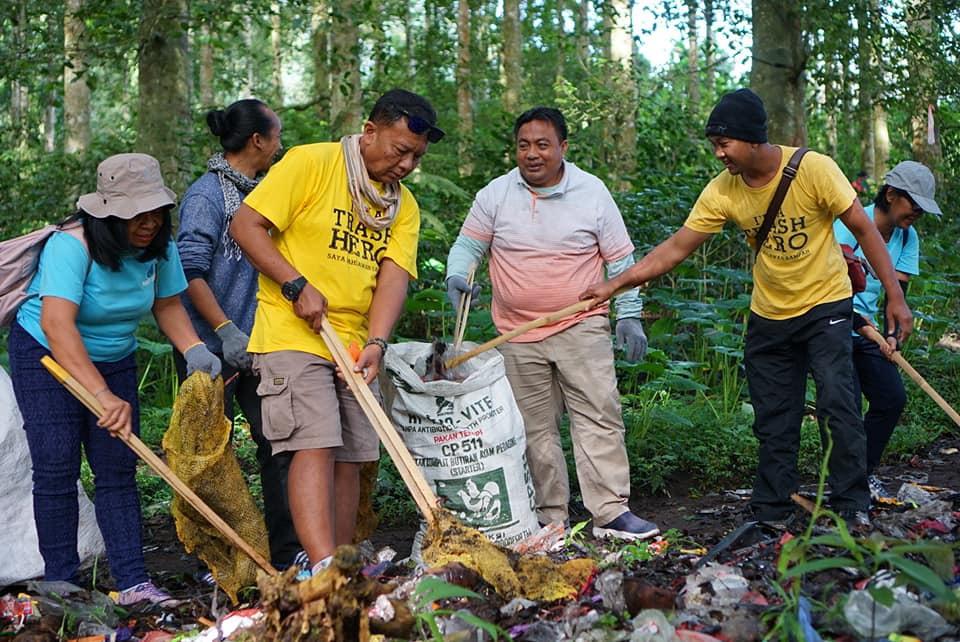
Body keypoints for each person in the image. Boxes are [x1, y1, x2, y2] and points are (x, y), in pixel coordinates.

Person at [581, 89, 913, 528]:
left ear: (754, 138)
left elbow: (864, 230)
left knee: (838, 403)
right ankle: (774, 507)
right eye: (714, 145)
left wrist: (895, 296)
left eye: (724, 144)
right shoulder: (723, 190)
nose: (718, 154)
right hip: (770, 314)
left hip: (826, 305)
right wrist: (615, 284)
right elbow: (676, 249)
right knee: (775, 414)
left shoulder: (814, 169)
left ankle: (850, 502)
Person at [230, 88, 443, 574]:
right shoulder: (311, 163)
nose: (407, 165)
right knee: (315, 441)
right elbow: (246, 226)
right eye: (400, 150)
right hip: (291, 331)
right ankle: (321, 564)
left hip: (352, 341)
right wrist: (295, 284)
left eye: (416, 157)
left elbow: (393, 277)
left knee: (353, 453)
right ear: (369, 132)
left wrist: (377, 343)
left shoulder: (402, 205)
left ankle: (342, 566)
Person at [7, 153, 221, 605]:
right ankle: (62, 584)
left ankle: (132, 583)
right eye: (136, 213)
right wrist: (101, 395)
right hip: (48, 356)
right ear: (107, 213)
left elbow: (167, 305)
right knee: (57, 462)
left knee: (118, 467)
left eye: (156, 212)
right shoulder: (71, 246)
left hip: (114, 357)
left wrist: (195, 350)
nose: (149, 222)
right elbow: (57, 325)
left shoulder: (159, 247)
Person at [446, 106, 659, 541]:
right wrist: (456, 276)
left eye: (543, 145)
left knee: (598, 416)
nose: (532, 154)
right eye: (523, 145)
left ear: (563, 147)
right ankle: (549, 517)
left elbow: (621, 261)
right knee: (532, 428)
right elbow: (468, 246)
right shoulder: (495, 194)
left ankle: (610, 512)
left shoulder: (591, 192)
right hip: (517, 333)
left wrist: (629, 314)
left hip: (581, 323)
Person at [175, 99, 302, 568]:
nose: (280, 145)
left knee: (278, 443)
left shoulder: (266, 190)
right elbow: (189, 272)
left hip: (260, 343)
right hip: (209, 348)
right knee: (210, 455)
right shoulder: (206, 196)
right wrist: (224, 330)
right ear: (257, 140)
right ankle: (219, 562)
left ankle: (287, 553)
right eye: (277, 135)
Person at [833, 161, 942, 501]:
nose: (917, 214)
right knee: (847, 406)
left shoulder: (907, 237)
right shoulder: (850, 223)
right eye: (914, 205)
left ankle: (862, 473)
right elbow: (827, 288)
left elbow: (897, 296)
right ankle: (844, 486)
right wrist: (858, 324)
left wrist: (892, 336)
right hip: (833, 325)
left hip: (869, 330)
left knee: (891, 398)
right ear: (892, 195)